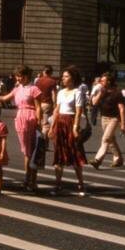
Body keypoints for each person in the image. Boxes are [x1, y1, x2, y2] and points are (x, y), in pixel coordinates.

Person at [0, 66, 43, 191]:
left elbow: (38, 107)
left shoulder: (34, 89)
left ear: (27, 76)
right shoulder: (17, 89)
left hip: (30, 117)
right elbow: (4, 98)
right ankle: (29, 179)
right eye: (17, 76)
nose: (18, 78)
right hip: (20, 119)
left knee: (30, 151)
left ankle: (30, 180)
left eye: (20, 76)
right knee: (26, 151)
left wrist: (39, 122)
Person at [49, 66, 87, 195]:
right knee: (59, 153)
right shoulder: (60, 92)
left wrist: (76, 126)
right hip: (59, 122)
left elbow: (78, 111)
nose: (63, 78)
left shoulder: (77, 92)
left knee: (75, 153)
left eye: (66, 76)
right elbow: (56, 110)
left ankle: (81, 184)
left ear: (73, 78)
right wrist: (52, 126)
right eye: (63, 76)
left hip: (70, 122)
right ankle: (58, 184)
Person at [89, 73, 125, 169]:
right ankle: (118, 159)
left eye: (103, 81)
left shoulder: (117, 93)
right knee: (111, 140)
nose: (101, 82)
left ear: (109, 82)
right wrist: (101, 93)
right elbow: (94, 103)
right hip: (104, 118)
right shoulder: (102, 92)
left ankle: (98, 160)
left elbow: (122, 109)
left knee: (106, 138)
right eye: (100, 80)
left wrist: (123, 124)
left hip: (114, 118)